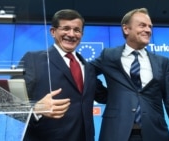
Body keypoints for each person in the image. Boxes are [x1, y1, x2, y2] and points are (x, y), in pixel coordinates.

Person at [91, 8, 169, 141]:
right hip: (115, 133)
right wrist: (106, 96)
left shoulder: (162, 62)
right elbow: (87, 72)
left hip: (155, 134)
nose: (148, 30)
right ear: (126, 29)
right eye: (142, 25)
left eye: (150, 26)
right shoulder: (109, 56)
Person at [13, 9, 106, 141]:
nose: (71, 34)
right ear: (53, 32)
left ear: (82, 34)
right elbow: (10, 102)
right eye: (66, 28)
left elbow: (105, 96)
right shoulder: (33, 59)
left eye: (77, 30)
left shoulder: (88, 68)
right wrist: (35, 109)